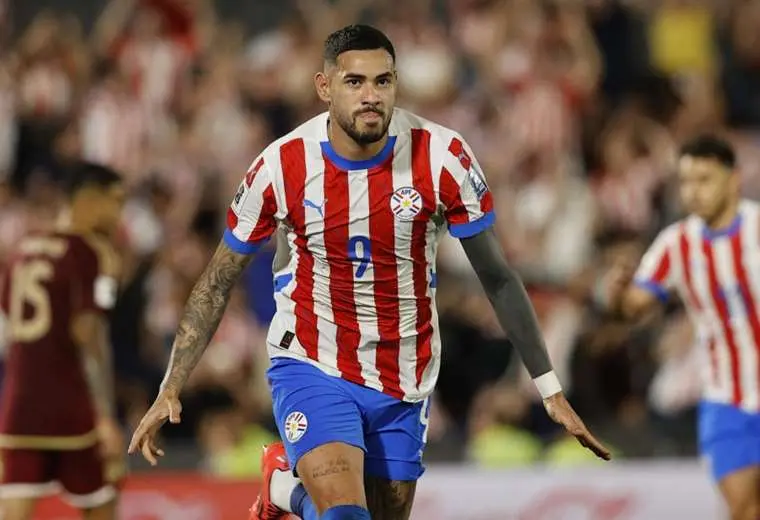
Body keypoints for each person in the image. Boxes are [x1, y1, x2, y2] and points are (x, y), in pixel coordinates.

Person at [129, 24, 610, 520]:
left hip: (403, 373)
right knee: (344, 515)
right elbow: (217, 279)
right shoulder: (282, 165)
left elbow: (499, 277)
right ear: (324, 87)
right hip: (312, 359)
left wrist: (549, 388)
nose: (371, 96)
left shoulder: (442, 156)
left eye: (383, 81)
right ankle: (290, 490)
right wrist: (171, 384)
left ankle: (280, 486)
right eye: (355, 82)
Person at [600, 135, 760, 520]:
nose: (693, 192)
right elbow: (635, 306)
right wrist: (618, 296)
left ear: (734, 179)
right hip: (726, 397)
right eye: (686, 181)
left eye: (704, 180)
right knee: (743, 509)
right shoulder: (676, 243)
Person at [0, 163, 125, 520]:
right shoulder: (87, 252)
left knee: (14, 508)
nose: (118, 212)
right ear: (89, 200)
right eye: (114, 201)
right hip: (70, 404)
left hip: (19, 402)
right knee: (104, 498)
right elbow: (90, 333)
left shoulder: (22, 248)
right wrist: (104, 414)